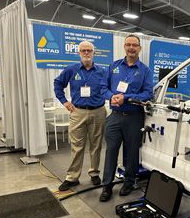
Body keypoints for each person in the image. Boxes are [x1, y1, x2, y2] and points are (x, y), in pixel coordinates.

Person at [99, 35, 153, 202]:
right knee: (111, 151)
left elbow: (148, 93)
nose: (131, 48)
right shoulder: (113, 66)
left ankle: (129, 182)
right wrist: (112, 96)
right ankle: (107, 185)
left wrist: (127, 97)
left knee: (131, 152)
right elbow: (103, 88)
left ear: (139, 48)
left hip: (134, 117)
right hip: (114, 117)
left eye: (134, 45)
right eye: (128, 44)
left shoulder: (145, 71)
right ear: (124, 46)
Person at [54, 41, 107, 191]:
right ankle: (72, 177)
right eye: (83, 50)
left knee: (96, 145)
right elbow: (58, 84)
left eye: (89, 50)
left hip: (98, 111)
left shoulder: (102, 71)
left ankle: (94, 173)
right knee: (77, 146)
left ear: (93, 53)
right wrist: (64, 102)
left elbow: (109, 88)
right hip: (78, 112)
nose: (86, 53)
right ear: (78, 53)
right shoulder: (71, 69)